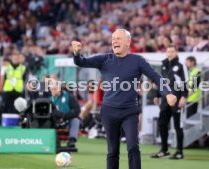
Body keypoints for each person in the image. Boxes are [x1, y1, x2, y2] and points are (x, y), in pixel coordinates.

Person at [72, 29, 177, 169]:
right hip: (109, 111)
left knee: (133, 147)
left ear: (128, 42)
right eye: (113, 38)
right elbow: (81, 62)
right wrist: (76, 53)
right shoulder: (104, 59)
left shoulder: (137, 60)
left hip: (130, 112)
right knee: (112, 151)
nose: (114, 41)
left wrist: (168, 93)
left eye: (118, 38)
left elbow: (156, 77)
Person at [151, 45, 188, 159]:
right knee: (162, 124)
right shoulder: (163, 66)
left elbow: (185, 83)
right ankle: (164, 150)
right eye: (168, 51)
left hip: (177, 100)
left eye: (172, 51)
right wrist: (157, 95)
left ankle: (179, 152)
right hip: (165, 101)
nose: (170, 53)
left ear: (176, 53)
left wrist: (183, 97)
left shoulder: (181, 66)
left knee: (178, 126)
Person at [47, 77, 81, 148]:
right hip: (54, 122)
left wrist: (64, 116)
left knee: (76, 120)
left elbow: (77, 110)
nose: (53, 89)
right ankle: (55, 141)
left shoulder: (69, 96)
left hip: (67, 121)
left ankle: (71, 140)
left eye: (55, 87)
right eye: (51, 88)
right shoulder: (49, 100)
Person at [0, 48, 27, 114]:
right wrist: (1, 88)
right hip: (7, 89)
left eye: (17, 58)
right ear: (11, 58)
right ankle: (4, 121)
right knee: (5, 106)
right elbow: (2, 78)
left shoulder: (23, 67)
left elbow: (25, 79)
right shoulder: (5, 67)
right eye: (14, 57)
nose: (15, 59)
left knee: (17, 107)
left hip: (18, 90)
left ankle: (15, 121)